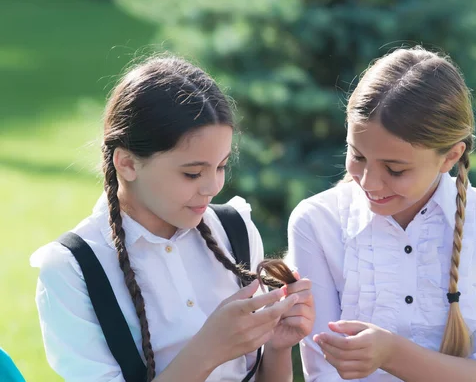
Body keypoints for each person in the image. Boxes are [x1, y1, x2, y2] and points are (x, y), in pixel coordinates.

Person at [30, 55, 315, 381]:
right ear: (127, 163)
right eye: (192, 173)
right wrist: (209, 350)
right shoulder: (72, 268)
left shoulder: (236, 230)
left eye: (221, 166)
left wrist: (277, 347)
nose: (212, 187)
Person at [287, 47, 476, 382]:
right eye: (357, 156)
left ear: (450, 157)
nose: (369, 182)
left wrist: (391, 353)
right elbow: (323, 374)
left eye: (395, 169)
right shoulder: (316, 222)